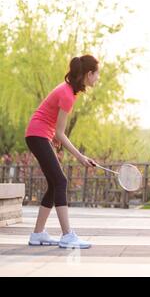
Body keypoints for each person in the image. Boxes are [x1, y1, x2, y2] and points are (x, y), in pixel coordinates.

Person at [25, 55, 99, 249]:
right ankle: (67, 236)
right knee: (61, 181)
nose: (98, 78)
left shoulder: (69, 91)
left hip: (39, 135)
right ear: (89, 74)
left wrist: (55, 139)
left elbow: (55, 126)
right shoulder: (67, 95)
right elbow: (60, 131)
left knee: (54, 183)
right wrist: (80, 157)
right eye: (97, 73)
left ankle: (38, 234)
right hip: (37, 135)